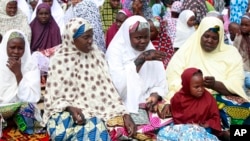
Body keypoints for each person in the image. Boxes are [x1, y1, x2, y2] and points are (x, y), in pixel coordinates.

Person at [42, 17, 136, 141]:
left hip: (95, 110)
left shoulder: (96, 55)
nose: (91, 41)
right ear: (71, 38)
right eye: (85, 37)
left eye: (91, 36)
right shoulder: (59, 60)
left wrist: (125, 114)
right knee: (59, 134)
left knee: (96, 131)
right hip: (64, 109)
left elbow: (109, 89)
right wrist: (70, 107)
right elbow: (52, 98)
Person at [166, 16, 250, 135]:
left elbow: (237, 83)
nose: (209, 40)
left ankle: (235, 134)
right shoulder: (187, 51)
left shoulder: (231, 53)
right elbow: (173, 78)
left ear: (220, 38)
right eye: (206, 36)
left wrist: (214, 85)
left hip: (221, 96)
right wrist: (192, 87)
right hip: (190, 97)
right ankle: (221, 133)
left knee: (244, 109)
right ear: (200, 34)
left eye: (214, 38)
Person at [106, 15, 172, 140]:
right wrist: (141, 59)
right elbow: (119, 88)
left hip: (145, 101)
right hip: (121, 104)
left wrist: (154, 95)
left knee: (168, 119)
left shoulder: (150, 49)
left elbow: (160, 82)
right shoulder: (115, 51)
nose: (143, 41)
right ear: (127, 36)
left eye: (146, 37)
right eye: (138, 38)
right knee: (123, 131)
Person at [157, 67, 221, 140]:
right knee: (162, 133)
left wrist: (208, 123)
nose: (200, 89)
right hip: (183, 128)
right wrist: (169, 107)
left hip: (202, 129)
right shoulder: (178, 97)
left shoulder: (208, 98)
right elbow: (177, 116)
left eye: (202, 85)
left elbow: (215, 117)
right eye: (196, 87)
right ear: (187, 85)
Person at [0, 29, 41, 134]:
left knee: (28, 109)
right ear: (5, 46)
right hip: (2, 108)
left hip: (20, 107)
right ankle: (8, 123)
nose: (16, 52)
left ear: (25, 49)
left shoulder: (31, 66)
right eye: (12, 48)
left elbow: (32, 98)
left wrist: (18, 73)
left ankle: (9, 123)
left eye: (20, 48)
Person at [233, 13, 250, 96]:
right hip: (240, 68)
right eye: (242, 25)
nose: (243, 27)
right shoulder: (238, 37)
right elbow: (234, 52)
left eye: (246, 25)